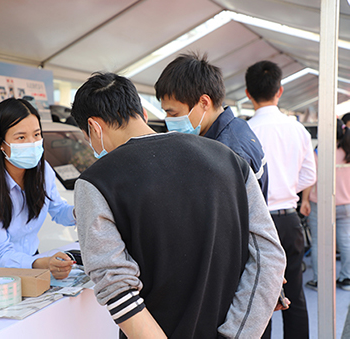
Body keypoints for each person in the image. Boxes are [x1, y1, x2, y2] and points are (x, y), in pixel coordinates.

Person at [71, 72, 286, 338]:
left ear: (94, 127)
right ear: (143, 114)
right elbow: (269, 256)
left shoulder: (95, 182)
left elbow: (115, 287)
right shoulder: (229, 160)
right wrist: (235, 334)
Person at [246, 60, 316, 339]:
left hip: (257, 225)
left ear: (248, 94)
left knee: (261, 300)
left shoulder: (244, 131)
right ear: (280, 91)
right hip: (289, 220)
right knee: (295, 296)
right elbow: (309, 174)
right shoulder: (296, 129)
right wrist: (288, 189)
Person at [0, 98, 76, 279]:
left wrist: (80, 212)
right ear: (1, 143)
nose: (32, 143)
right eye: (21, 137)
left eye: (36, 134)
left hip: (33, 262)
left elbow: (58, 210)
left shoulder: (44, 171)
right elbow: (1, 253)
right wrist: (43, 264)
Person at [154, 52, 268, 200]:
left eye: (174, 114)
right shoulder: (235, 128)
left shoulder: (227, 153)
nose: (168, 121)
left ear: (204, 103)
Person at [301, 119, 350, 291]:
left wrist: (305, 200)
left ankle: (320, 281)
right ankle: (347, 279)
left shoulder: (319, 152)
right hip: (346, 204)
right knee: (346, 242)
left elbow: (310, 178)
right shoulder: (348, 150)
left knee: (319, 243)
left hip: (321, 204)